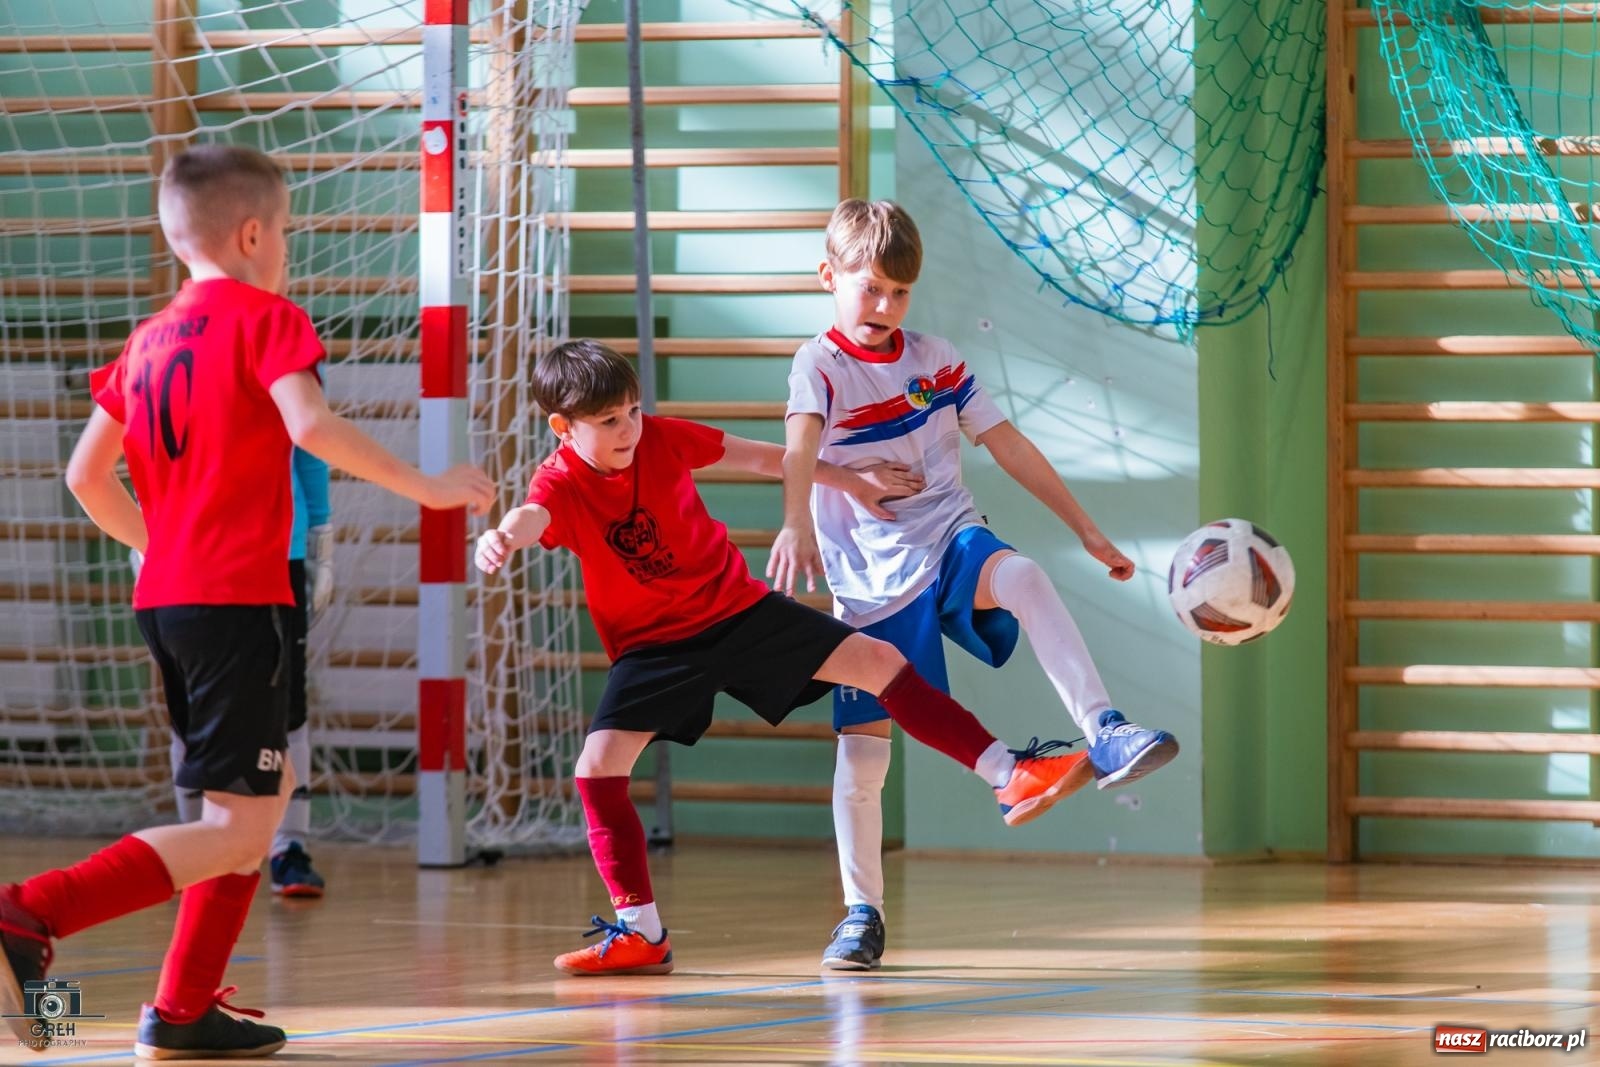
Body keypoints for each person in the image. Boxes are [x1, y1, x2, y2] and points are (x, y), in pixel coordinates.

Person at [0, 143, 493, 1059]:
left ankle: (184, 1011)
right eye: (290, 234)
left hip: (169, 600)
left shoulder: (146, 339)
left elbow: (84, 475)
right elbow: (311, 424)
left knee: (254, 798)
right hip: (237, 600)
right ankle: (28, 913)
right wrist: (428, 488)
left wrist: (165, 547)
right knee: (241, 823)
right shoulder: (267, 317)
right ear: (257, 233)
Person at [474, 338, 1093, 977]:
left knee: (877, 663)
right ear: (563, 427)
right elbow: (531, 514)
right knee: (597, 768)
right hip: (655, 648)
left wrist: (849, 480)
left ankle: (1007, 771)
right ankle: (641, 931)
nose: (627, 427)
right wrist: (501, 537)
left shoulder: (660, 438)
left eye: (632, 410)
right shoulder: (562, 481)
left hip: (737, 613)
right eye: (608, 422)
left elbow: (764, 457)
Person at [769, 198, 1180, 972]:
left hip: (949, 537)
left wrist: (1087, 528)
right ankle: (863, 913)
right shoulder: (818, 364)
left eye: (900, 292)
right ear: (829, 276)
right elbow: (794, 449)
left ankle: (1106, 729)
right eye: (871, 287)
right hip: (870, 583)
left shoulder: (936, 357)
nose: (885, 306)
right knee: (864, 762)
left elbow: (1008, 443)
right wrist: (804, 513)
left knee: (1021, 572)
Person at [150, 446, 332, 898]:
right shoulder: (144, 375)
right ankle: (193, 844)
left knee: (284, 706)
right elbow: (122, 459)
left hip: (271, 553)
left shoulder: (283, 375)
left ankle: (288, 847)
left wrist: (321, 541)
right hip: (183, 553)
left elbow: (308, 443)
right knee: (192, 709)